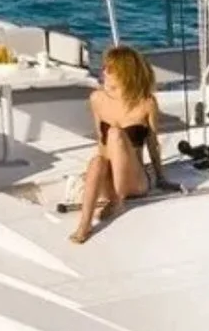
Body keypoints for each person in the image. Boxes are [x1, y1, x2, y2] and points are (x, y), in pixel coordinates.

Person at [70, 44, 167, 244]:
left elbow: (152, 144)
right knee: (97, 161)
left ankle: (118, 201)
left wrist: (161, 177)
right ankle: (84, 225)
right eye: (105, 67)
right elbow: (100, 140)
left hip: (136, 180)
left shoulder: (146, 103)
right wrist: (95, 177)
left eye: (111, 69)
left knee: (115, 133)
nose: (104, 71)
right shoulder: (97, 99)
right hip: (110, 179)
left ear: (126, 74)